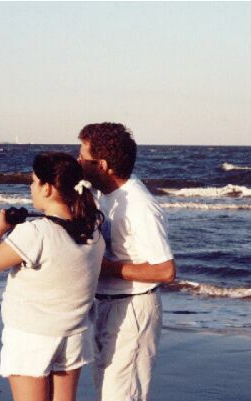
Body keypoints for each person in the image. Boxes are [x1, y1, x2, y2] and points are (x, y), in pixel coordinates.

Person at [0, 152, 105, 401]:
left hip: (32, 336)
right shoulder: (93, 231)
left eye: (34, 182)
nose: (31, 187)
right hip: (73, 334)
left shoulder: (35, 233)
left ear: (47, 188)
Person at [77, 122, 176, 401]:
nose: (78, 161)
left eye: (83, 156)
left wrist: (105, 267)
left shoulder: (139, 204)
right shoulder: (104, 196)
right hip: (107, 304)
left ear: (103, 164)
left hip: (133, 307)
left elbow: (166, 270)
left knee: (121, 395)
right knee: (109, 390)